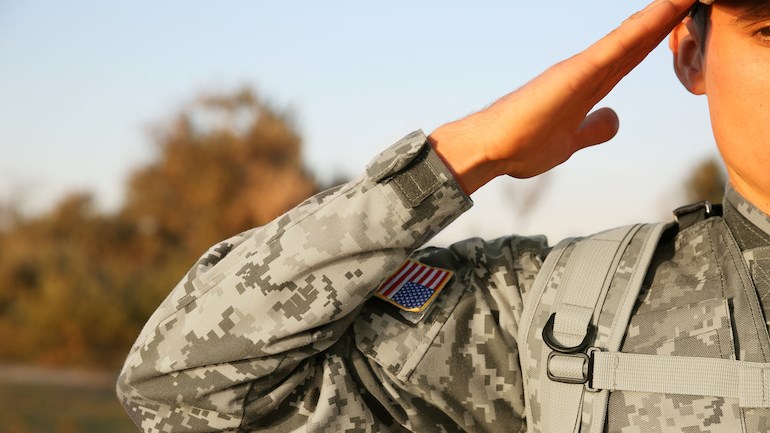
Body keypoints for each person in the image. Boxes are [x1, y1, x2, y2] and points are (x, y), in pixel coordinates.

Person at [116, 0, 770, 431]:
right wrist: (461, 157)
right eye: (769, 31)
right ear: (690, 52)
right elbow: (180, 384)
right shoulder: (562, 316)